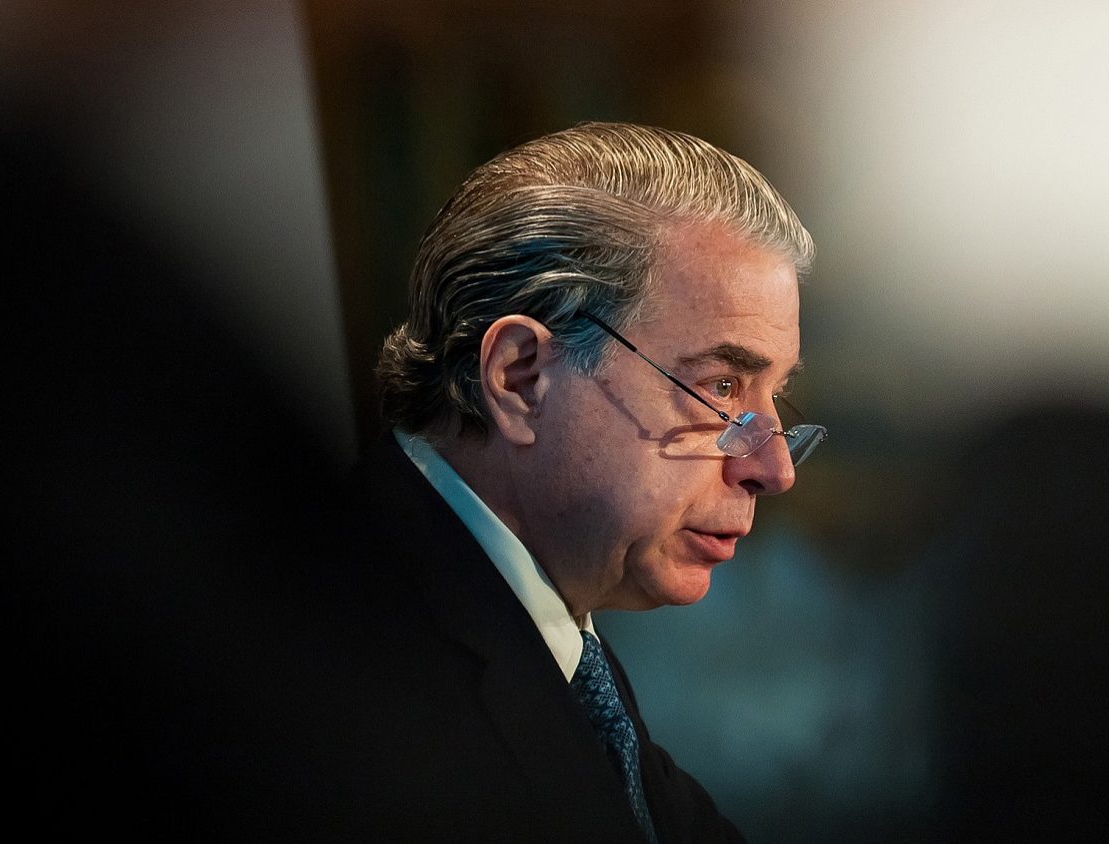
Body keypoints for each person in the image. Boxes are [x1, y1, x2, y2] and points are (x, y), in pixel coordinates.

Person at [325, 121, 825, 841]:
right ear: (521, 378)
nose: (774, 469)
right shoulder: (354, 672)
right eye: (721, 385)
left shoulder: (555, 636)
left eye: (776, 398)